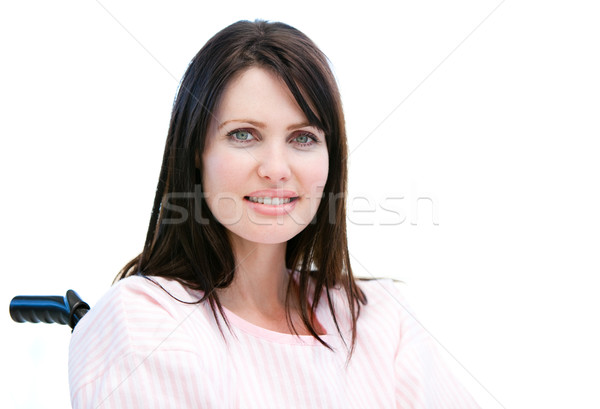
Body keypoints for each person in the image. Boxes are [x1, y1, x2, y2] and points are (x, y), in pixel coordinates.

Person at [68, 20, 480, 408]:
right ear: (196, 152)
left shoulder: (381, 317)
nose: (277, 168)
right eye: (243, 134)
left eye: (303, 137)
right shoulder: (146, 321)